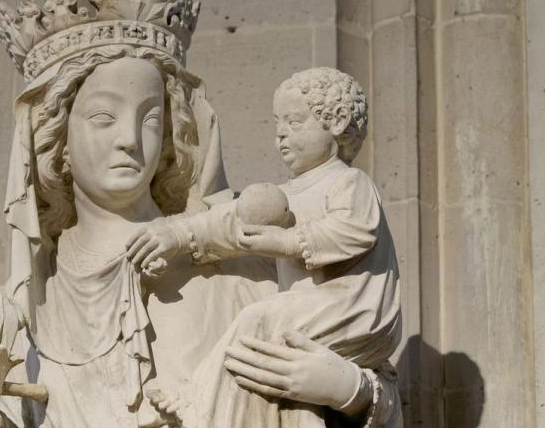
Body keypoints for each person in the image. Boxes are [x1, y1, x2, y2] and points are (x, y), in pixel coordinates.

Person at [0, 0, 402, 428]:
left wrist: (350, 390)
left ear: (169, 134)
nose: (128, 140)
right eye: (104, 118)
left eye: (149, 119)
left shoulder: (235, 264)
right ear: (57, 139)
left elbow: (370, 375)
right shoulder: (27, 304)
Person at [128, 68, 402, 427]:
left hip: (351, 309)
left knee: (257, 321)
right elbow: (232, 222)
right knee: (258, 347)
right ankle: (196, 403)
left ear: (335, 122)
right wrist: (179, 235)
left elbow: (354, 231)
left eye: (294, 122)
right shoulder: (288, 194)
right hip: (310, 315)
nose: (281, 135)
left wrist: (287, 241)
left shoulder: (349, 182)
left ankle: (192, 402)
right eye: (277, 124)